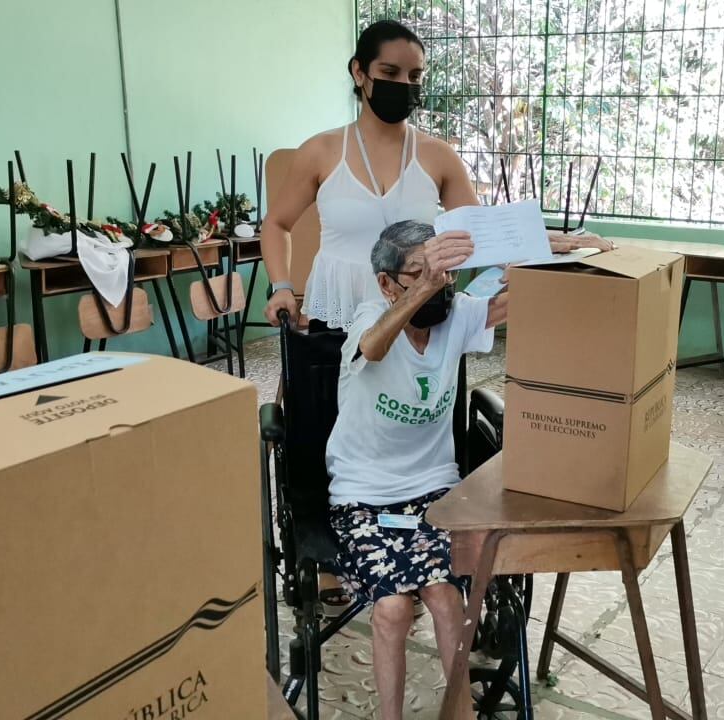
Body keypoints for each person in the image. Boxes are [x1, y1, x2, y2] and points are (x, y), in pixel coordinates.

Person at [260, 17, 610, 614]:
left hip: (419, 312)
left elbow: (485, 236)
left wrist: (559, 242)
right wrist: (282, 286)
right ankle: (332, 551)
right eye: (390, 73)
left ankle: (414, 533)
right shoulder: (320, 152)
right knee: (323, 426)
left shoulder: (437, 156)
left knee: (407, 420)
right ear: (359, 73)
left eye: (415, 76)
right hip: (339, 309)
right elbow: (277, 224)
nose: (404, 85)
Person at [325, 220, 504, 720]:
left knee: (446, 600)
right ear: (387, 283)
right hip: (363, 496)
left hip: (432, 492)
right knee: (392, 608)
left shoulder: (457, 315)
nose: (439, 285)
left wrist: (553, 249)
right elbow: (373, 346)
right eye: (421, 273)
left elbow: (520, 299)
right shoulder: (370, 316)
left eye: (446, 273)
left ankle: (460, 714)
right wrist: (424, 287)